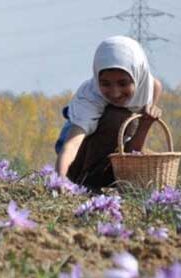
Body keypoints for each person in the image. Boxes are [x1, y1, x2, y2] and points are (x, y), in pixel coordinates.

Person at [55, 35, 162, 192]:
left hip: (114, 149)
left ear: (137, 75)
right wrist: (60, 181)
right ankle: (86, 181)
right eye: (105, 83)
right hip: (78, 155)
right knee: (117, 117)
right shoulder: (90, 97)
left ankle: (104, 180)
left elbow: (132, 153)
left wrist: (145, 124)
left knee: (131, 127)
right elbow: (71, 146)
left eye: (123, 83)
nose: (115, 92)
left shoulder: (151, 88)